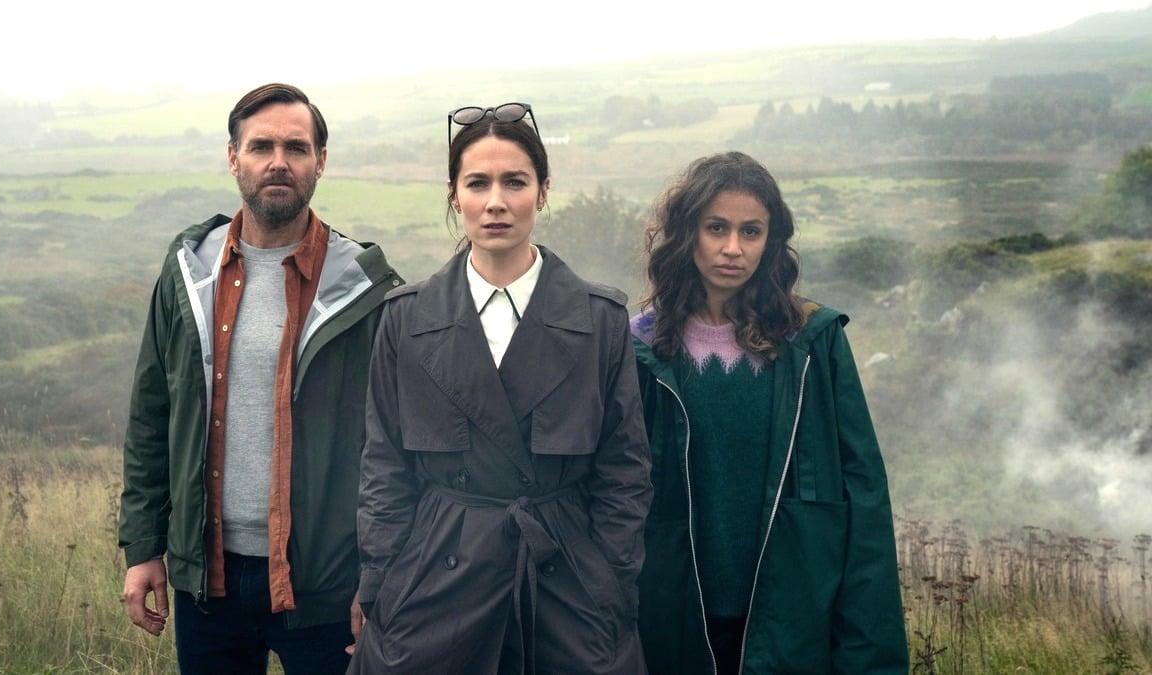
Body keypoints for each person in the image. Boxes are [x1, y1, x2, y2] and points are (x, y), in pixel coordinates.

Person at [347, 103, 652, 675]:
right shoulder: (406, 319)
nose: (495, 202)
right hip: (435, 580)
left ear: (541, 192)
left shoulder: (599, 319)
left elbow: (624, 470)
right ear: (453, 194)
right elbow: (384, 466)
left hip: (568, 582)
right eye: (477, 183)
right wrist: (380, 587)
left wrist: (612, 584)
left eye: (515, 182)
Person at [118, 82, 402, 674]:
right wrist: (143, 547)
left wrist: (381, 575)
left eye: (296, 148)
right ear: (233, 157)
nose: (279, 162)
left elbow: (395, 449)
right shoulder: (188, 273)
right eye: (261, 146)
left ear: (320, 162)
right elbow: (153, 415)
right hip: (209, 581)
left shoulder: (366, 290)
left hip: (324, 585)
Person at [631, 151, 908, 674]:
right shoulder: (641, 351)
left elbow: (863, 498)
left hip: (793, 623)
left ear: (771, 241)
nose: (732, 248)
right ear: (686, 233)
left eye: (751, 231)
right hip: (675, 624)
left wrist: (871, 657)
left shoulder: (812, 344)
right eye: (716, 228)